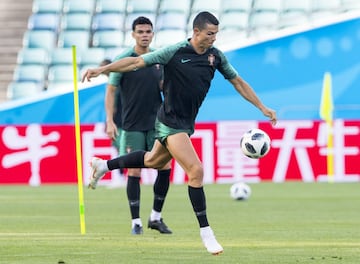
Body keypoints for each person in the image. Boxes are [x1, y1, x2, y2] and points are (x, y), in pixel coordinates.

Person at [82, 11, 277, 255]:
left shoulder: (215, 57)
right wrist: (104, 70)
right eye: (209, 34)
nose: (213, 39)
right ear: (196, 32)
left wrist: (262, 107)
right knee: (196, 171)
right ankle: (207, 233)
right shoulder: (174, 52)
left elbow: (237, 82)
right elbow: (134, 63)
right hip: (168, 121)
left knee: (152, 161)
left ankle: (103, 166)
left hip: (185, 123)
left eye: (216, 34)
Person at [94, 17, 173, 235]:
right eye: (140, 31)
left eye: (148, 31)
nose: (145, 35)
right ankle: (136, 222)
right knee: (135, 170)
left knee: (164, 167)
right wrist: (110, 121)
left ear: (153, 34)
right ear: (133, 34)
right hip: (131, 124)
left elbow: (164, 87)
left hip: (157, 125)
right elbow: (111, 91)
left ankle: (155, 217)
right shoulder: (123, 60)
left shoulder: (158, 59)